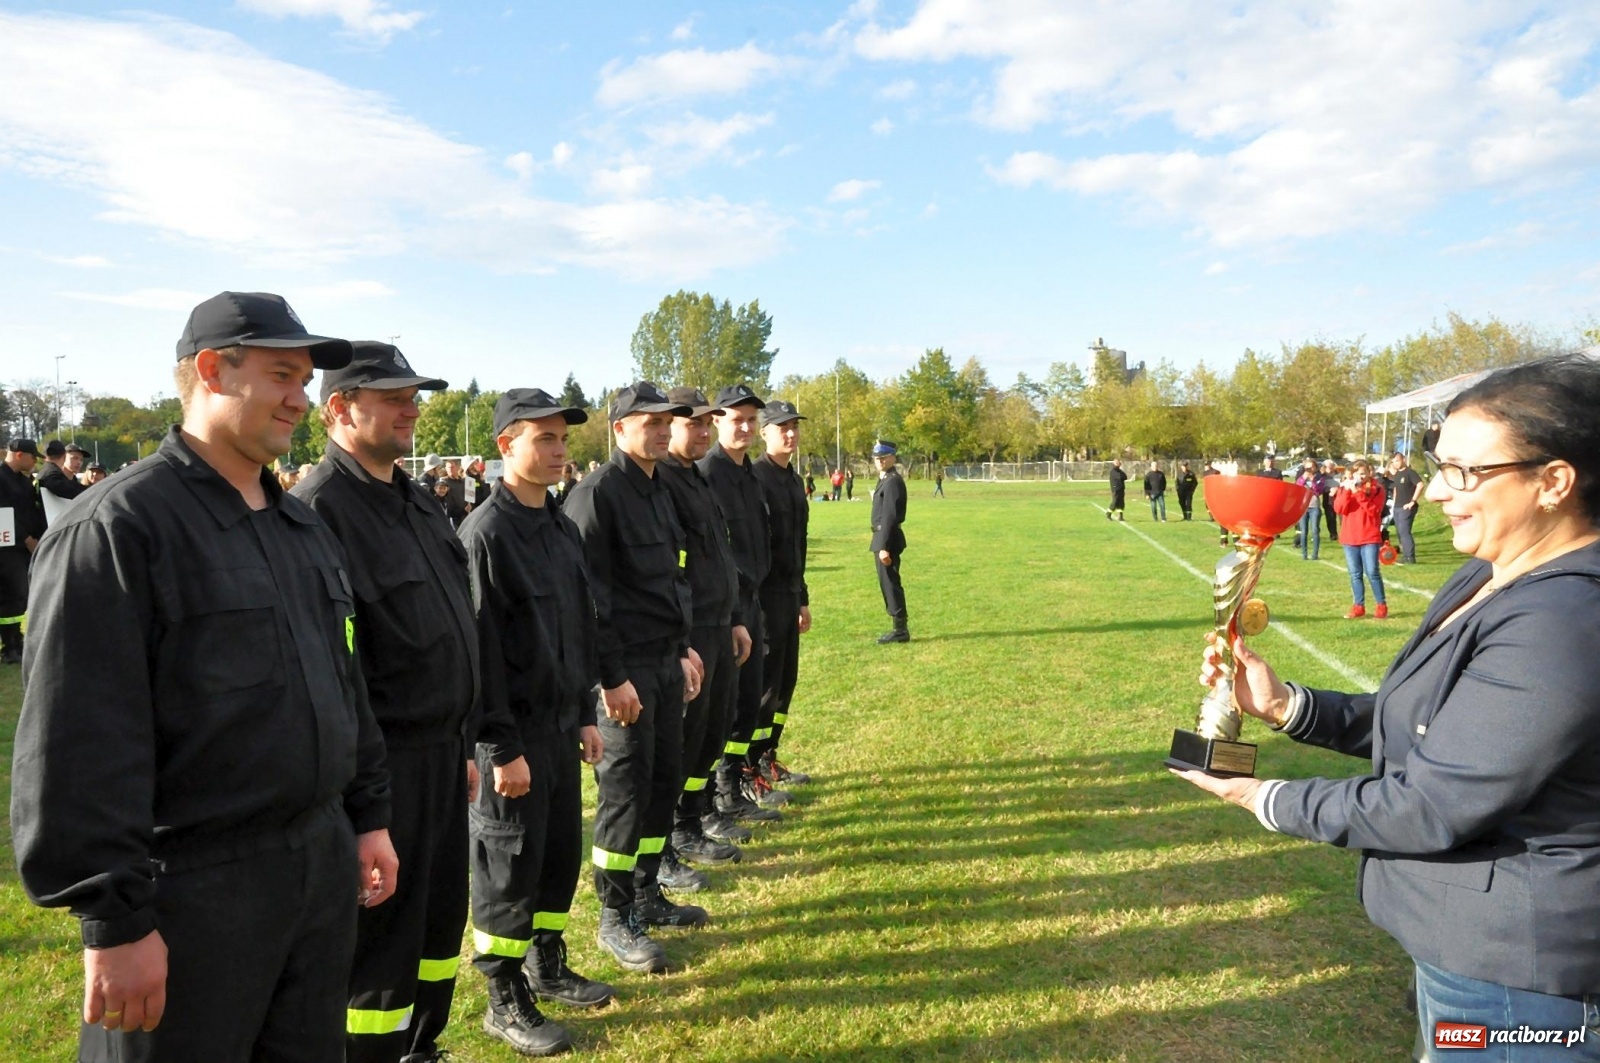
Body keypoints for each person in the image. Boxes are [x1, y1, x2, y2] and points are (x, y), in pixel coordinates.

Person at [1175, 353, 1600, 1062]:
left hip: (1520, 977)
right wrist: (1287, 706)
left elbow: (1431, 804)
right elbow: (1434, 724)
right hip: (1467, 954)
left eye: (1464, 471)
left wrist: (1263, 796)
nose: (1434, 492)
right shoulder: (1487, 574)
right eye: (1439, 464)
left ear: (1554, 481)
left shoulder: (1562, 619)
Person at [11, 291, 397, 1062]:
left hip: (315, 869)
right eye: (283, 375)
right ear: (214, 370)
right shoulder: (119, 528)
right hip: (192, 889)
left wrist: (366, 813)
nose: (301, 398)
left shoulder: (300, 525)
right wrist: (115, 919)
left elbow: (342, 685)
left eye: (304, 380)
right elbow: (77, 739)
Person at [292, 341, 477, 1063]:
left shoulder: (417, 501)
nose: (413, 410)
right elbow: (332, 674)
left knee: (437, 924)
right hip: (381, 767)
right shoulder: (319, 511)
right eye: (394, 398)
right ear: (340, 409)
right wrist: (363, 801)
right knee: (380, 943)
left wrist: (465, 742)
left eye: (414, 397)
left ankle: (422, 1047)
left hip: (442, 756)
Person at [458, 388, 613, 1055]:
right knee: (507, 867)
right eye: (543, 438)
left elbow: (577, 629)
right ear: (505, 446)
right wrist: (500, 746)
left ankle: (546, 963)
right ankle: (503, 993)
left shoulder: (559, 525)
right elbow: (480, 652)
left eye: (562, 439)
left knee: (554, 857)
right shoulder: (485, 534)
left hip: (557, 728)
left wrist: (583, 713)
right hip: (512, 739)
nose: (557, 450)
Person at [562, 382, 707, 975]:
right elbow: (588, 600)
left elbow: (672, 578)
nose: (661, 430)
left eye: (665, 421)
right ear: (619, 429)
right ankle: (614, 915)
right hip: (623, 674)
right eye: (649, 422)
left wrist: (683, 647)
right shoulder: (597, 495)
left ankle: (646, 891)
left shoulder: (659, 489)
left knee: (661, 783)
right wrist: (611, 677)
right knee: (624, 794)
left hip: (664, 663)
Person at [657, 387, 750, 887]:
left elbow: (719, 556)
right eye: (692, 423)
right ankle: (674, 831)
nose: (702, 431)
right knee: (684, 737)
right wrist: (682, 640)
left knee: (710, 733)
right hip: (690, 634)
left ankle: (695, 818)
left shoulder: (696, 478)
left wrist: (734, 617)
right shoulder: (663, 482)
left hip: (718, 626)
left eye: (705, 423)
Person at [702, 385, 786, 821]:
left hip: (754, 604)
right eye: (737, 419)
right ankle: (718, 793)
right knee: (727, 708)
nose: (746, 427)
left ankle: (735, 785)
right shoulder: (707, 474)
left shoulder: (751, 475)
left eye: (752, 420)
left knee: (750, 701)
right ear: (716, 421)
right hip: (725, 610)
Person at [752, 399, 813, 788]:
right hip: (765, 598)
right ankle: (751, 763)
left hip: (790, 595)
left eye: (794, 427)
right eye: (781, 427)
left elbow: (799, 545)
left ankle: (769, 754)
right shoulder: (756, 478)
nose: (790, 434)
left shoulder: (793, 479)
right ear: (764, 433)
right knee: (766, 685)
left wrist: (802, 597)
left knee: (786, 682)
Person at [1, 437, 46, 665]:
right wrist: (26, 539)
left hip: (23, 548)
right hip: (7, 548)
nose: (34, 462)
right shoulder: (1, 478)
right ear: (19, 455)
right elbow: (2, 515)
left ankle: (16, 641)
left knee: (20, 596)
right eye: (32, 457)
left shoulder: (23, 479)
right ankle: (9, 646)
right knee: (10, 595)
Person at [1333, 458, 1388, 619]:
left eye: (1363, 473)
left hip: (1369, 536)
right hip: (1350, 537)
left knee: (1372, 572)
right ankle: (1358, 606)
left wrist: (1358, 493)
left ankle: (1381, 605)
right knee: (1355, 574)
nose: (1360, 477)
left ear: (1369, 473)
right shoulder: (1346, 487)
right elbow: (1339, 508)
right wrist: (1347, 491)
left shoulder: (1377, 489)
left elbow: (1374, 511)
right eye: (1357, 473)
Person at [871, 440, 909, 643]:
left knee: (891, 583)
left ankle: (900, 629)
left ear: (893, 457)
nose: (880, 461)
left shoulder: (892, 480)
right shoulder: (885, 478)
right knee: (887, 583)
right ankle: (899, 627)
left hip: (887, 538)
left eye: (884, 457)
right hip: (882, 536)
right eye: (877, 458)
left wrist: (883, 546)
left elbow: (889, 516)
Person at [1389, 453, 1424, 564]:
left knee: (1404, 531)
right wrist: (1394, 503)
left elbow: (1420, 485)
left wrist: (1412, 501)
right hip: (1397, 507)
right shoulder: (1397, 474)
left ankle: (1410, 557)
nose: (1395, 463)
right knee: (1399, 532)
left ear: (1403, 459)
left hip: (1406, 507)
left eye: (1397, 461)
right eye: (1393, 462)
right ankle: (1405, 555)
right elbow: (1396, 489)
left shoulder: (1410, 472)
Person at [1294, 458, 1324, 561]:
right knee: (1303, 531)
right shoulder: (1301, 477)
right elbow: (1297, 488)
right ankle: (1304, 554)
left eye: (1311, 467)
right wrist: (1303, 479)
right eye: (1307, 468)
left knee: (1315, 530)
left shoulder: (1319, 478)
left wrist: (1313, 480)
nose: (1309, 470)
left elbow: (1318, 491)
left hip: (1314, 506)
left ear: (1315, 468)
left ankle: (1315, 554)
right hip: (1303, 507)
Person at [1320, 459, 1340, 541]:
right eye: (1328, 466)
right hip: (1328, 497)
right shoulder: (1322, 476)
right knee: (1330, 517)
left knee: (1342, 517)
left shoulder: (1339, 475)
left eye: (1331, 466)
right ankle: (1333, 534)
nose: (1330, 467)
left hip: (1339, 496)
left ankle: (1345, 533)